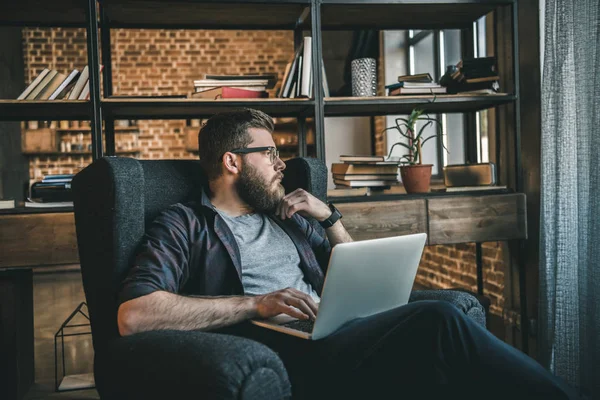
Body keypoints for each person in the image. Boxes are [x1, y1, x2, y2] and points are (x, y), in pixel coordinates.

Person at [117, 108, 575, 399]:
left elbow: (354, 272)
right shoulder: (184, 224)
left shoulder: (287, 218)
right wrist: (257, 304)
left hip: (338, 332)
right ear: (232, 162)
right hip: (284, 348)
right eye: (270, 153)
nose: (281, 163)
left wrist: (329, 217)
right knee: (440, 318)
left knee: (441, 348)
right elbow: (133, 315)